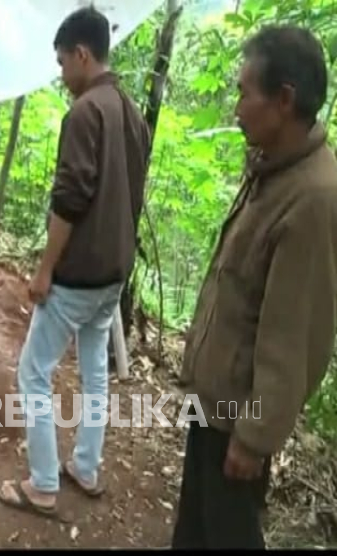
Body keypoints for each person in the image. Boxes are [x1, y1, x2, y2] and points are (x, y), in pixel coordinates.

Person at [172, 25, 337, 549]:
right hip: (213, 404)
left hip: (237, 424)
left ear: (284, 99)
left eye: (244, 93)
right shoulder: (272, 172)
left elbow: (293, 337)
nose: (237, 108)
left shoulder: (312, 199)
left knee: (226, 533)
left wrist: (255, 436)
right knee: (194, 532)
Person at [0, 6, 151, 516]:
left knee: (33, 373)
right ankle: (86, 465)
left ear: (83, 54)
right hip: (113, 274)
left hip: (80, 273)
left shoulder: (85, 112)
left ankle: (42, 484)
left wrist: (45, 270)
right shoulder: (130, 111)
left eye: (63, 63)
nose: (61, 75)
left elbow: (71, 197)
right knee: (93, 371)